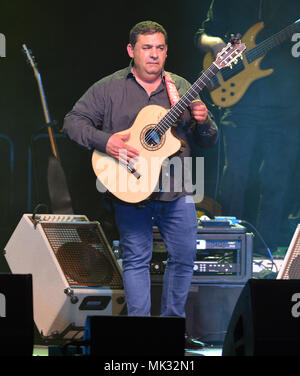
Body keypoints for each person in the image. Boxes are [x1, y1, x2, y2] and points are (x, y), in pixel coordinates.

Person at [63, 21, 218, 318]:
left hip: (177, 188)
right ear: (131, 50)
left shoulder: (181, 87)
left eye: (160, 48)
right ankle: (140, 330)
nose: (154, 55)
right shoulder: (109, 88)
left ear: (167, 52)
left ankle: (172, 328)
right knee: (136, 260)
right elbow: (73, 122)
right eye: (147, 48)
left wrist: (204, 122)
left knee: (184, 257)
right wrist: (106, 141)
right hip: (129, 188)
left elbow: (208, 140)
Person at [195, 0, 300, 253]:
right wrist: (213, 43)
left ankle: (266, 250)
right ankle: (227, 247)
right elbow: (202, 34)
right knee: (235, 176)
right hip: (239, 102)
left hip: (286, 104)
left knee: (277, 179)